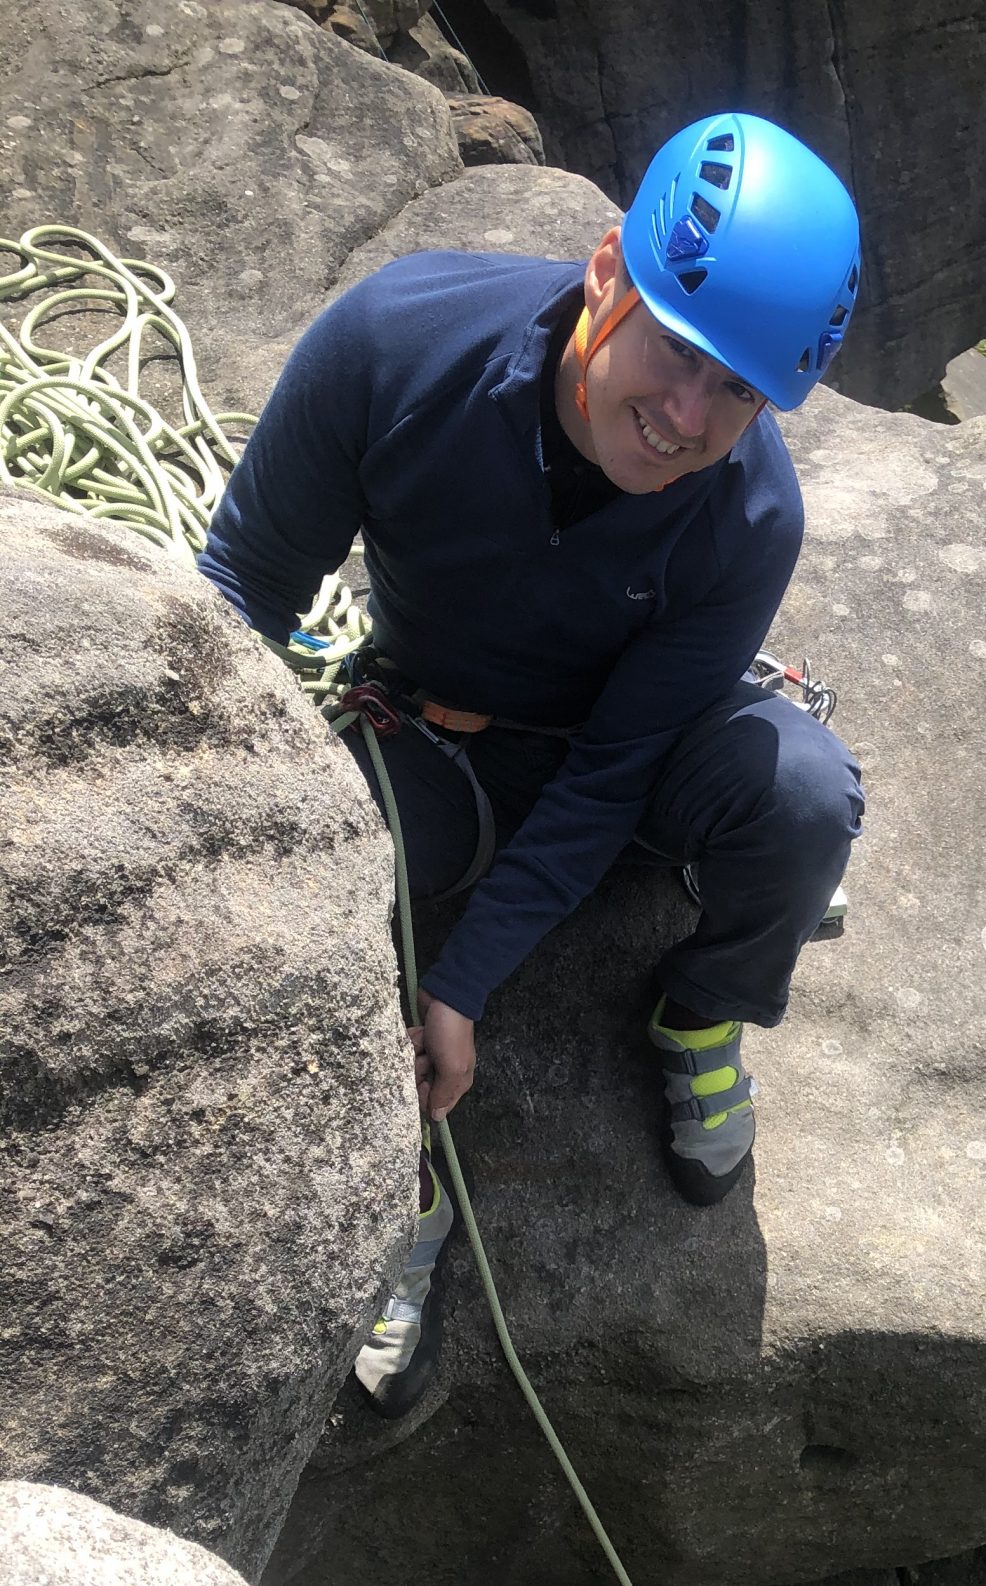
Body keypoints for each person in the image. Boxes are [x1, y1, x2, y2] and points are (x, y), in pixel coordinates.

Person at [197, 111, 866, 1412]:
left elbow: (618, 769)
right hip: (446, 733)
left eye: (738, 389)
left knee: (801, 796)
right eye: (680, 349)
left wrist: (467, 981)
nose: (686, 416)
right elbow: (242, 591)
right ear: (610, 269)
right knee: (341, 885)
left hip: (643, 747)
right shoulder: (398, 344)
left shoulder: (750, 515)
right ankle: (404, 1182)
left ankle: (702, 1009)